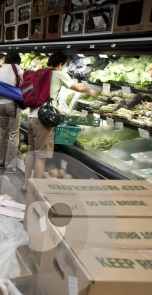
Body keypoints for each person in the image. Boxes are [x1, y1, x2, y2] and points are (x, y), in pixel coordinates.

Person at [22, 51, 99, 191]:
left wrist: (55, 108)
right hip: (42, 121)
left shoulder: (40, 73)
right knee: (41, 156)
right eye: (63, 66)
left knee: (31, 153)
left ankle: (26, 185)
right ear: (60, 64)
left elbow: (44, 96)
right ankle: (36, 189)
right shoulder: (58, 74)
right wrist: (90, 91)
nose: (63, 68)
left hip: (31, 117)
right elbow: (78, 87)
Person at [0, 52, 23, 171]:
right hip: (13, 104)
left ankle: (1, 162)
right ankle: (10, 165)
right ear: (15, 61)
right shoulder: (16, 68)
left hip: (1, 105)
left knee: (3, 133)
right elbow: (25, 83)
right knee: (14, 134)